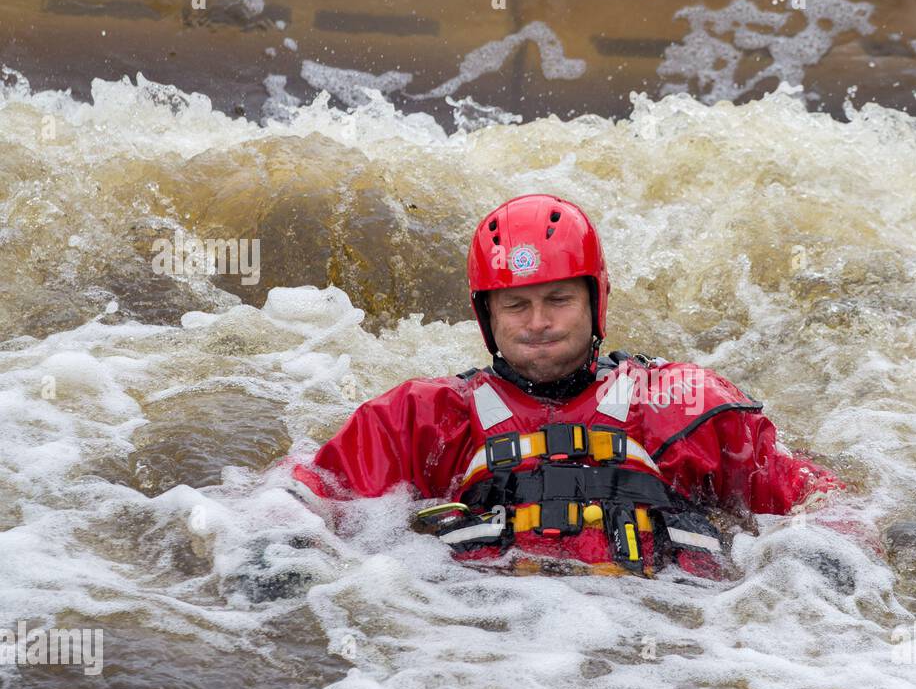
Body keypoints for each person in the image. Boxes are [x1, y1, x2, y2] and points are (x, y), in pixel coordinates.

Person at [283, 193, 862, 580]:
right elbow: (300, 498)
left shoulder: (685, 405)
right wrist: (271, 551)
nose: (538, 322)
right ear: (488, 316)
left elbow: (824, 504)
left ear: (595, 301)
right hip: (480, 640)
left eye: (559, 300)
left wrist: (822, 566)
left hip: (667, 641)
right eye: (517, 305)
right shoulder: (420, 418)